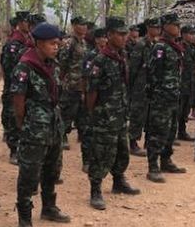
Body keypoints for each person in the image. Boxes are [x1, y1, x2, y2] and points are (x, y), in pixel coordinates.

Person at [11, 23, 70, 227]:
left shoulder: (52, 65)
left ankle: (49, 207)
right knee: (29, 172)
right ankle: (24, 218)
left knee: (52, 169)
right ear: (39, 43)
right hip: (34, 128)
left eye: (58, 43)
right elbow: (18, 102)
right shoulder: (24, 67)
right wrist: (24, 126)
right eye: (52, 43)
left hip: (53, 125)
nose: (57, 47)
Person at [86, 17, 141, 209]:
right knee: (101, 152)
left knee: (121, 149)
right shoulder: (100, 61)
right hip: (104, 116)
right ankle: (95, 190)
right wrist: (94, 114)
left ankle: (118, 181)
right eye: (120, 33)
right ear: (109, 35)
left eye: (125, 33)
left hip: (120, 113)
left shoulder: (122, 56)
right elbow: (91, 92)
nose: (124, 37)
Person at [145, 13, 187, 182]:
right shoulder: (160, 48)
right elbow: (153, 73)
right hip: (161, 98)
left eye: (179, 24)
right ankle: (153, 166)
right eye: (175, 25)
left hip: (173, 96)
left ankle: (166, 159)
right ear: (166, 27)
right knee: (158, 131)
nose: (178, 28)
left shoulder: (175, 47)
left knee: (170, 130)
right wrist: (157, 94)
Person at [0, 11, 33, 165]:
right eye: (25, 21)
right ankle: (14, 150)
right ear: (19, 23)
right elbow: (8, 67)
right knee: (14, 117)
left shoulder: (30, 40)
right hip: (14, 87)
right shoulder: (13, 44)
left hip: (27, 88)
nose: (28, 24)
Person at [127, 17, 160, 156]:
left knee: (151, 115)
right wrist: (132, 87)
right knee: (138, 115)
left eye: (159, 28)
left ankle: (148, 141)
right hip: (140, 86)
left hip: (153, 85)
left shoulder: (157, 45)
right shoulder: (141, 45)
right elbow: (133, 68)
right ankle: (133, 143)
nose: (157, 30)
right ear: (148, 28)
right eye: (154, 27)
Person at [58, 16, 88, 151]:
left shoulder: (83, 42)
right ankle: (62, 135)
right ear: (74, 26)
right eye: (81, 24)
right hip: (71, 82)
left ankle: (82, 135)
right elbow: (63, 62)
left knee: (81, 110)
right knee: (67, 110)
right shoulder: (70, 42)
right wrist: (63, 80)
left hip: (81, 82)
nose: (84, 27)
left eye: (85, 25)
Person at [80, 28, 108, 173]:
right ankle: (86, 160)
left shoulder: (109, 54)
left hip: (105, 98)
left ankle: (100, 159)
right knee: (88, 129)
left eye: (105, 37)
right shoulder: (90, 56)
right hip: (91, 95)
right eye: (101, 37)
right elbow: (85, 76)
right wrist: (84, 93)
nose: (104, 40)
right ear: (96, 39)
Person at [177, 25, 195, 142]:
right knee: (178, 108)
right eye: (191, 34)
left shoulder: (193, 48)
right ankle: (172, 132)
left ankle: (182, 131)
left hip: (191, 83)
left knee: (186, 108)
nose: (193, 36)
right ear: (184, 35)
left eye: (194, 34)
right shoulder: (179, 47)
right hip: (181, 83)